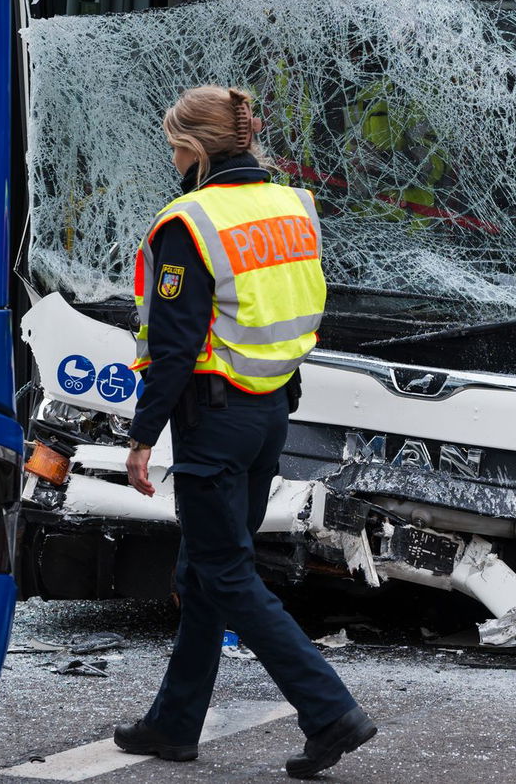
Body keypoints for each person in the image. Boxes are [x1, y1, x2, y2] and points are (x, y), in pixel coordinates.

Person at [114, 85, 377, 777]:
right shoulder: (293, 206)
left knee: (225, 573)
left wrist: (141, 438)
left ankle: (330, 711)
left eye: (174, 144)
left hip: (213, 419)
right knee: (205, 571)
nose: (171, 157)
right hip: (269, 413)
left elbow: (173, 345)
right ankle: (174, 725)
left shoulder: (189, 222)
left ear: (196, 149)